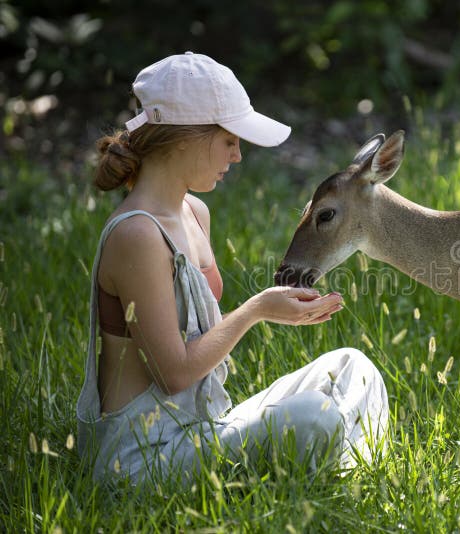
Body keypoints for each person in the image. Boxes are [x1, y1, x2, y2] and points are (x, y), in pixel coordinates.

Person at [76, 52, 389, 484]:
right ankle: (332, 458)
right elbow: (175, 373)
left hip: (205, 430)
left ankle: (331, 461)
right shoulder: (138, 236)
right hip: (143, 458)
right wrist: (257, 309)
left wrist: (277, 310)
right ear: (185, 137)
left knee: (355, 368)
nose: (238, 155)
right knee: (313, 417)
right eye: (229, 140)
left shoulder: (194, 212)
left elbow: (195, 340)